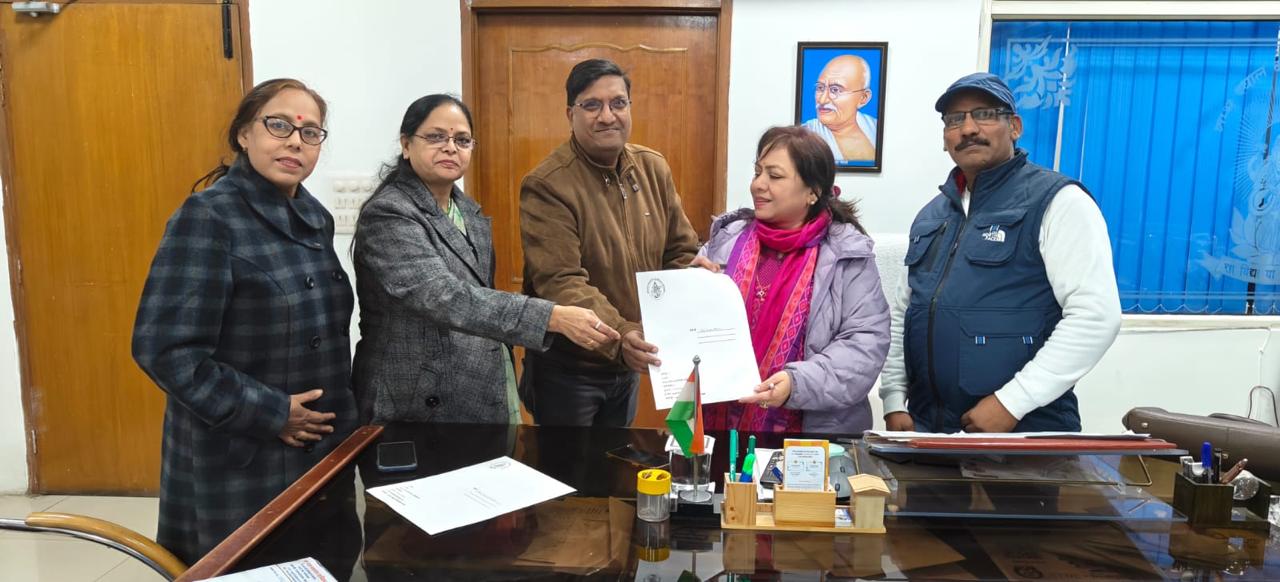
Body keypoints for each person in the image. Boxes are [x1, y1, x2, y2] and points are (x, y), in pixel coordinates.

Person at [132, 78, 356, 563]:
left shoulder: (315, 218)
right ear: (243, 134)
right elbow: (166, 351)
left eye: (310, 132)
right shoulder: (209, 217)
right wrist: (272, 413)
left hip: (319, 451)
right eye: (279, 125)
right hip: (242, 454)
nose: (295, 141)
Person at [351, 94, 618, 425]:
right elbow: (443, 296)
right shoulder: (390, 213)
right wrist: (550, 316)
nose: (451, 148)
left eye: (462, 140)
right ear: (406, 145)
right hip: (415, 400)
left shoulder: (468, 211)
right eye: (436, 137)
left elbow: (480, 297)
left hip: (476, 385)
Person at [879, 72, 1121, 434]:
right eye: (955, 120)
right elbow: (904, 311)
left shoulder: (1059, 201)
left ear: (1015, 127)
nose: (968, 128)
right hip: (929, 432)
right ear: (945, 138)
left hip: (1025, 433)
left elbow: (1096, 316)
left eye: (985, 114)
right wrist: (894, 399)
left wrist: (1012, 402)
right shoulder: (931, 216)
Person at [519, 58, 700, 427]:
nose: (607, 116)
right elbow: (562, 281)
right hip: (569, 370)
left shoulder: (653, 168)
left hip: (629, 362)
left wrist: (694, 285)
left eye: (618, 103)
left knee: (617, 457)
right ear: (570, 113)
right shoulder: (547, 184)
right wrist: (623, 334)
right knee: (566, 463)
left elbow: (681, 251)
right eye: (592, 105)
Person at [693, 126, 890, 433]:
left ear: (812, 192)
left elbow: (864, 346)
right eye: (757, 172)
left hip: (810, 440)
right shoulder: (726, 239)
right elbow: (695, 330)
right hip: (716, 430)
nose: (758, 184)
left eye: (774, 176)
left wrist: (796, 383)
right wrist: (689, 290)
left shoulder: (847, 254)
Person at [801, 55, 878, 163]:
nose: (822, 100)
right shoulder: (805, 136)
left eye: (835, 90)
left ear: (863, 98)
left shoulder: (875, 127)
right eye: (820, 88)